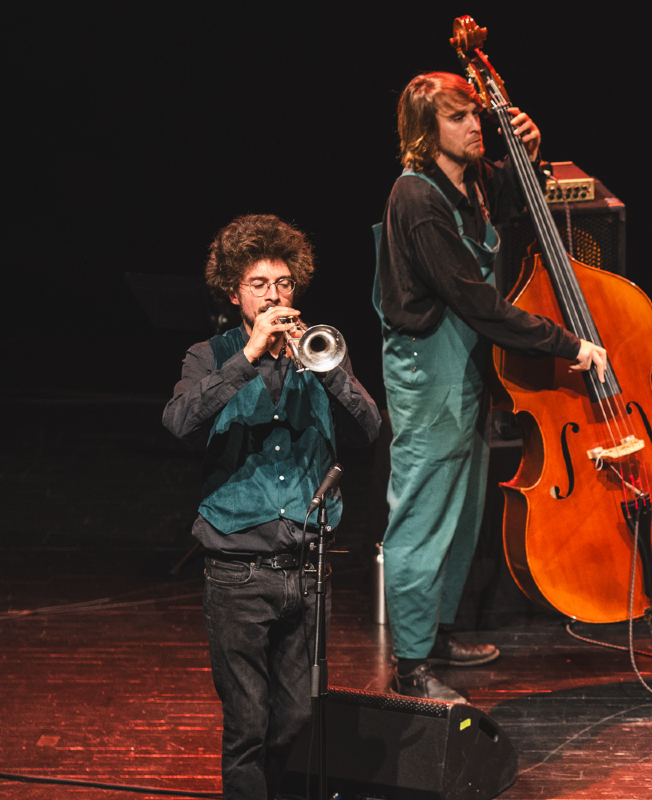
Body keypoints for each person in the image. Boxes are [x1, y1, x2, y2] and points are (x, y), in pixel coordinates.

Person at [376, 71, 612, 703]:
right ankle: (411, 662)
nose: (475, 125)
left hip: (465, 364)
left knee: (464, 510)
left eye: (476, 114)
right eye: (458, 118)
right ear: (427, 132)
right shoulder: (416, 199)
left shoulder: (472, 178)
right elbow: (478, 303)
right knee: (424, 515)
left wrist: (529, 154)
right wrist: (567, 343)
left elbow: (516, 196)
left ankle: (440, 631)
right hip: (429, 369)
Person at [162, 214, 382, 799]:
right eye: (258, 284)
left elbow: (368, 427)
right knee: (247, 730)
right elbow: (178, 423)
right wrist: (249, 357)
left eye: (282, 282)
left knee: (298, 720)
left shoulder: (321, 352)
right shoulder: (208, 355)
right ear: (234, 292)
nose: (273, 294)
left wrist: (331, 373)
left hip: (308, 569)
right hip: (237, 570)